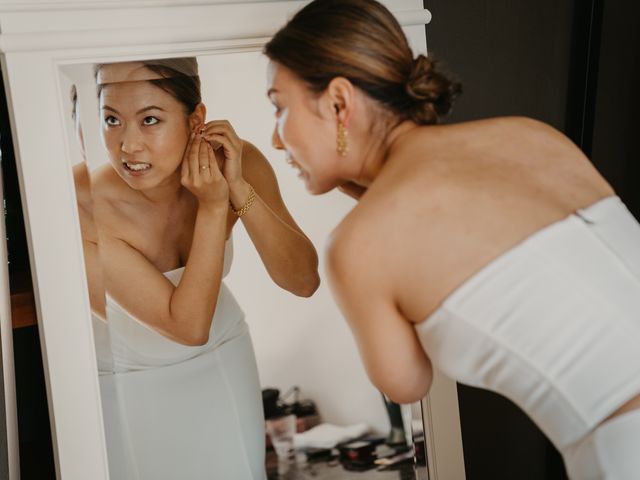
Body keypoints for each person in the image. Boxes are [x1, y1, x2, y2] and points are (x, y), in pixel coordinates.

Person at [263, 0, 640, 478]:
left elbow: (406, 384)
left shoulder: (359, 246)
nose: (276, 140)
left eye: (279, 106)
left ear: (339, 102)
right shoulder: (531, 135)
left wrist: (371, 211)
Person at [90, 58, 319, 479]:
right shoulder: (87, 204)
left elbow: (303, 281)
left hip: (224, 355)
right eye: (112, 120)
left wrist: (238, 189)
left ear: (196, 119)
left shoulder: (236, 161)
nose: (128, 145)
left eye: (150, 119)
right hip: (128, 380)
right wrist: (214, 207)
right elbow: (188, 326)